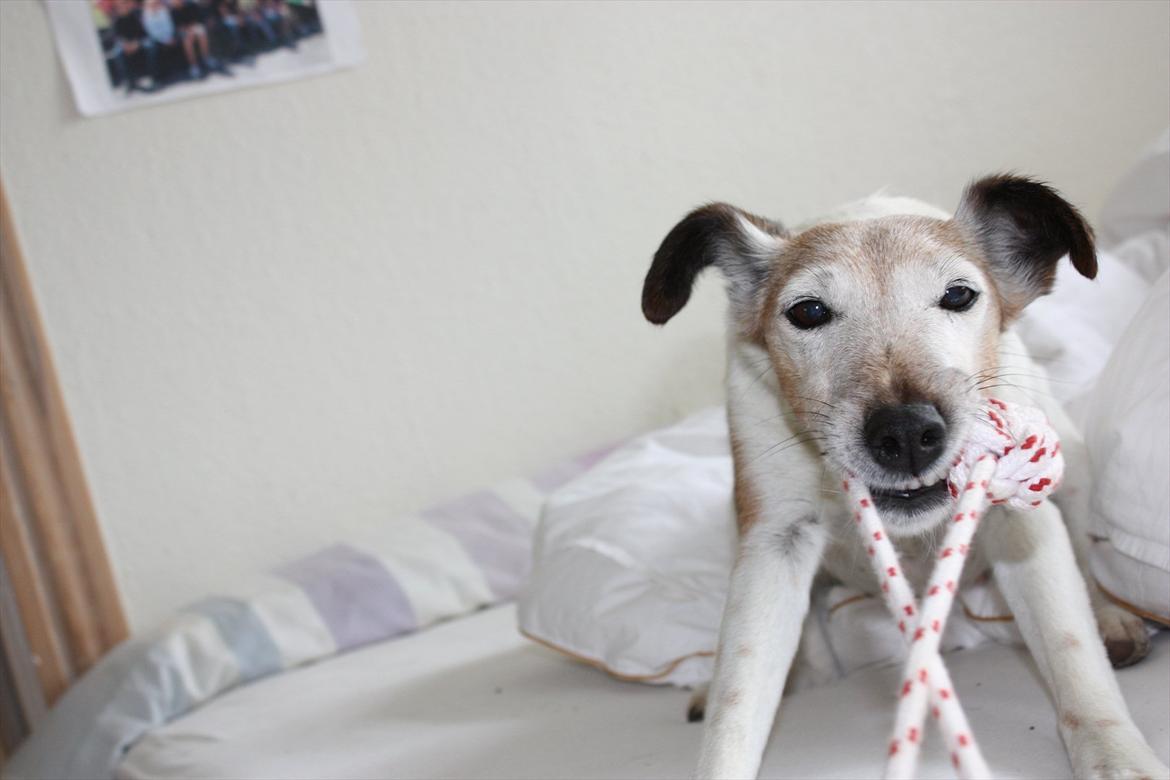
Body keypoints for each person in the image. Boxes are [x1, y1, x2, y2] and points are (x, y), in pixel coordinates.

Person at [167, 0, 225, 79]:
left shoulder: (191, 5)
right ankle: (193, 65)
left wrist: (192, 29)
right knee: (187, 41)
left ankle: (206, 58)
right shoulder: (172, 10)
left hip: (194, 26)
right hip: (182, 31)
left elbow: (197, 18)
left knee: (202, 33)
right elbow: (177, 27)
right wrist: (188, 31)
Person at [111, 0, 158, 92]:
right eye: (121, 5)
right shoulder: (116, 19)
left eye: (125, 3)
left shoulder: (136, 15)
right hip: (126, 44)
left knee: (151, 47)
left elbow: (143, 32)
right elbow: (117, 37)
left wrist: (137, 43)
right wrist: (126, 45)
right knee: (117, 53)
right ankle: (130, 81)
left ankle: (152, 77)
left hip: (139, 40)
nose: (123, 6)